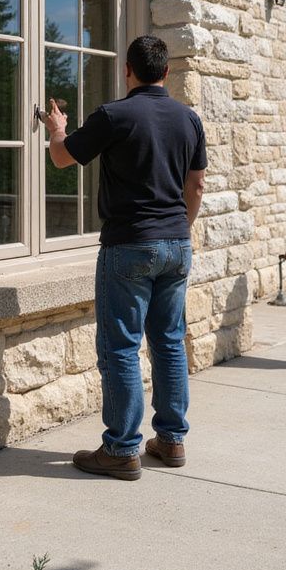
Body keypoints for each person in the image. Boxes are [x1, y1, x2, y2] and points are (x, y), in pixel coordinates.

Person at [43, 35, 207, 480]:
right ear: (167, 72)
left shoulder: (114, 115)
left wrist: (57, 127)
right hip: (177, 243)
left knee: (120, 347)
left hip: (129, 244)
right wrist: (180, 231)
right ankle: (171, 440)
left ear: (127, 70)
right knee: (169, 342)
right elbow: (196, 187)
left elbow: (61, 158)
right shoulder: (189, 119)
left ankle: (120, 449)